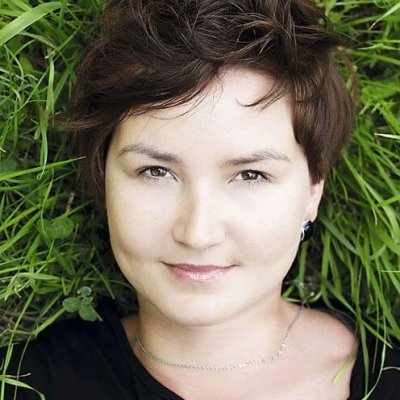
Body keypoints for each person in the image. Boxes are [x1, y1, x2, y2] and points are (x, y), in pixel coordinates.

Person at [1, 0, 399, 399]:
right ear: (104, 178)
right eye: (156, 171)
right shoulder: (23, 384)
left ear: (313, 190)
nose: (197, 233)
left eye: (250, 175)